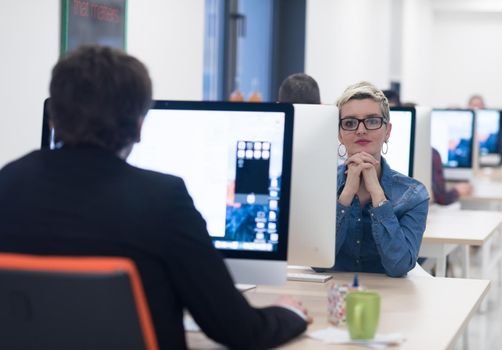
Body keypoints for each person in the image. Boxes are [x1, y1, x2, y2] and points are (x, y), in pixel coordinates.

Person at [0, 46, 310, 349]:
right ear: (138, 126)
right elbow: (239, 331)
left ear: (52, 117)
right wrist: (289, 312)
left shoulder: (7, 183)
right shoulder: (163, 200)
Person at [333, 81, 429, 277]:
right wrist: (346, 195)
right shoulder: (321, 186)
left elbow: (399, 265)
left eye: (372, 121)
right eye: (350, 123)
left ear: (388, 131)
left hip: (393, 301)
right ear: (340, 134)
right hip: (333, 297)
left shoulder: (413, 195)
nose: (361, 130)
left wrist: (377, 194)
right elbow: (317, 263)